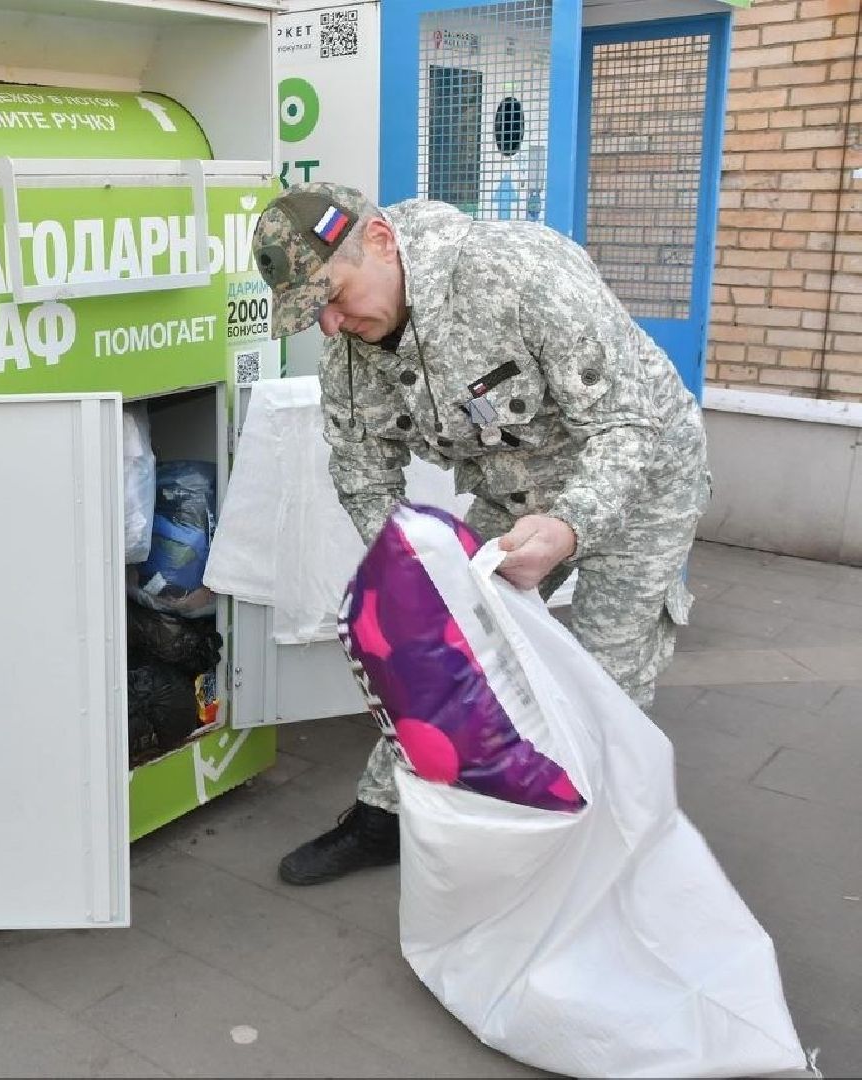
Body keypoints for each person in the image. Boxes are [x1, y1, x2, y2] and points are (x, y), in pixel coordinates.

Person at [251, 182, 711, 887]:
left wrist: (568, 526)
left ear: (378, 240)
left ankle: (591, 854)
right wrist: (409, 572)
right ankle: (384, 820)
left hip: (640, 478)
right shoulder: (353, 346)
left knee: (605, 674)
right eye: (314, 312)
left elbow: (625, 423)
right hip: (514, 493)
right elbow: (361, 470)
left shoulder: (517, 270)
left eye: (334, 296)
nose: (332, 325)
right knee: (440, 650)